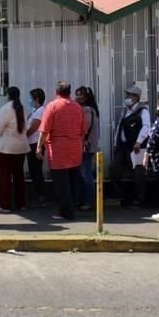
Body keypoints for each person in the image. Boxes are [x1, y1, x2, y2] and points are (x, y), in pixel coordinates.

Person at [36, 82, 86, 220]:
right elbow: (83, 130)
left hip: (58, 149)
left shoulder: (52, 106)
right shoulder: (78, 107)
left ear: (56, 91)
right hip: (75, 148)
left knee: (61, 182)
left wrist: (39, 147)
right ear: (69, 92)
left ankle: (66, 211)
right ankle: (71, 207)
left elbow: (44, 130)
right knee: (72, 181)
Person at [110, 85, 151, 207]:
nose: (126, 97)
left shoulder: (143, 111)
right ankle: (121, 195)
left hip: (136, 147)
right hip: (123, 146)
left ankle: (139, 199)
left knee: (138, 173)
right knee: (114, 169)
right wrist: (115, 143)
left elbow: (146, 127)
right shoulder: (125, 111)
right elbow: (119, 127)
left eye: (129, 95)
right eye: (127, 95)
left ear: (135, 98)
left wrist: (138, 142)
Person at [0, 86, 30, 211]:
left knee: (4, 177)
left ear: (8, 95)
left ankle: (5, 204)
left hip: (5, 148)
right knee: (19, 176)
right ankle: (21, 204)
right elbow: (27, 127)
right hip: (21, 147)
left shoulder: (6, 108)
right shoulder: (23, 108)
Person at [74, 86, 100, 211]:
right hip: (84, 146)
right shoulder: (84, 109)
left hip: (86, 147)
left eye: (81, 95)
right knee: (82, 174)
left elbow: (85, 128)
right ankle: (83, 200)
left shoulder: (87, 110)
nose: (79, 97)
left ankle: (90, 201)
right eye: (77, 94)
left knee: (86, 174)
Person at [24, 88, 48, 204]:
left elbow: (32, 129)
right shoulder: (36, 110)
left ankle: (41, 195)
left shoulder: (40, 111)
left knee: (36, 171)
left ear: (37, 99)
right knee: (34, 171)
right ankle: (39, 194)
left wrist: (21, 135)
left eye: (31, 98)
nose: (29, 100)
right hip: (32, 143)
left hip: (35, 144)